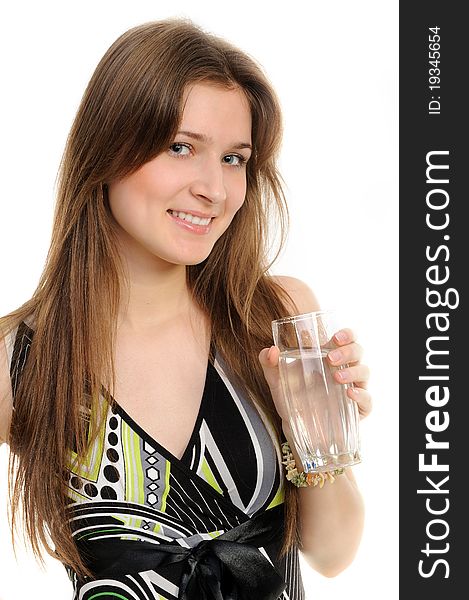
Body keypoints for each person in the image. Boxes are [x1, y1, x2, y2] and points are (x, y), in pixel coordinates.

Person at [0, 17, 372, 600]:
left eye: (234, 159)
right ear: (108, 149)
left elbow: (334, 554)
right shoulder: (23, 359)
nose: (215, 190)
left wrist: (317, 432)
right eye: (181, 148)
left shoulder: (272, 316)